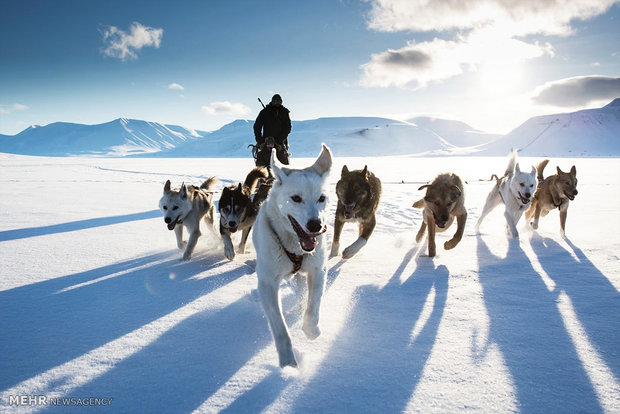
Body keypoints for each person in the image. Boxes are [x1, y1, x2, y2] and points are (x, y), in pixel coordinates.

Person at [253, 94, 291, 167]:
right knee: (262, 163)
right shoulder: (264, 112)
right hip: (265, 142)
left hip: (280, 142)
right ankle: (263, 177)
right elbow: (257, 126)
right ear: (272, 101)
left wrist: (280, 140)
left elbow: (287, 128)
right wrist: (260, 141)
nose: (277, 103)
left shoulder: (284, 112)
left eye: (279, 101)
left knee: (283, 164)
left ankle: (281, 178)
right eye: (276, 101)